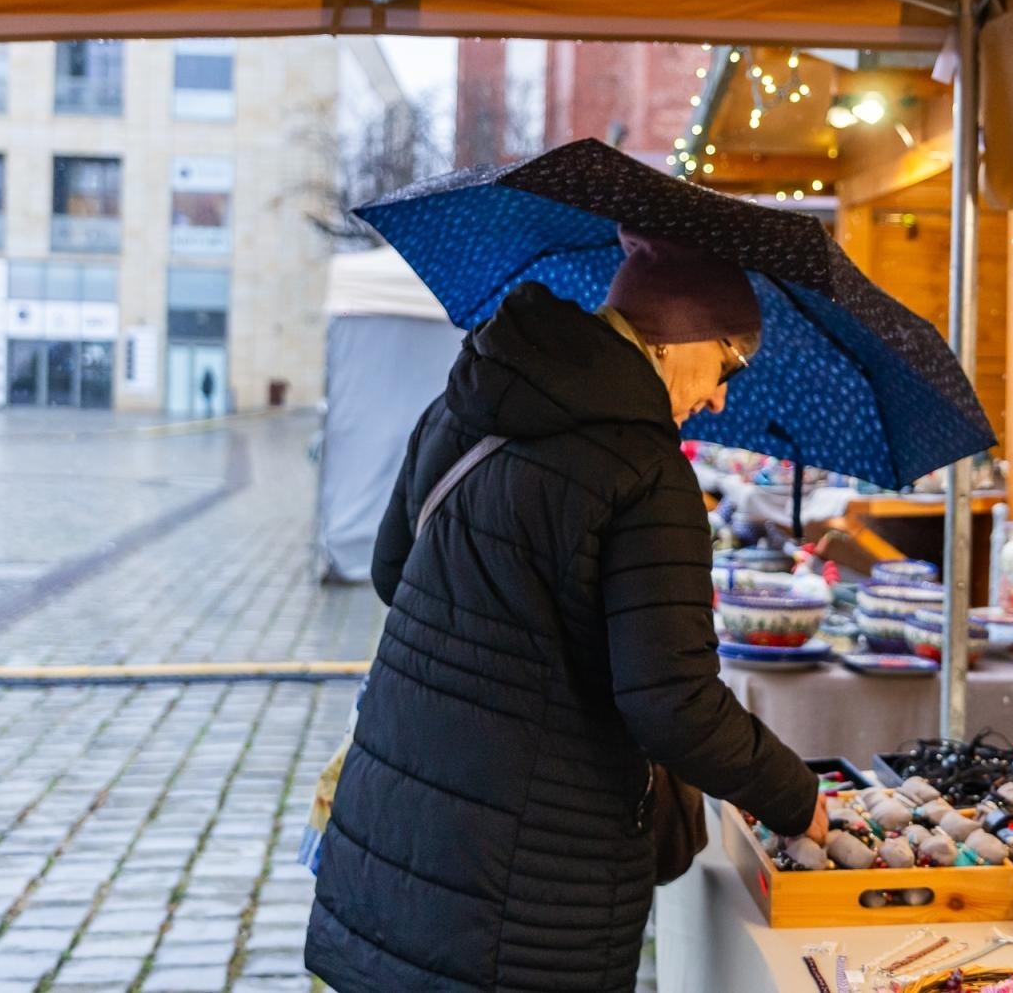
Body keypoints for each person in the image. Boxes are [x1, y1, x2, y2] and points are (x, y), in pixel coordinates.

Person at [306, 230, 827, 992]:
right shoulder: (649, 477)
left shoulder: (465, 403)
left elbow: (395, 572)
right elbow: (673, 705)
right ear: (678, 338)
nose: (721, 395)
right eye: (728, 362)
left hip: (398, 825)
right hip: (527, 882)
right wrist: (797, 796)